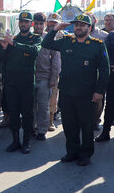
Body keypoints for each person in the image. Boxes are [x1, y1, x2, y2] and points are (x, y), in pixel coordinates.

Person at [42, 13, 109, 166]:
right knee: (69, 124)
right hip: (67, 92)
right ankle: (72, 151)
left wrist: (99, 91)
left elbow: (105, 71)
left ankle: (85, 154)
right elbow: (46, 44)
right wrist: (56, 29)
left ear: (89, 28)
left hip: (86, 94)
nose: (78, 27)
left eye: (82, 25)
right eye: (76, 25)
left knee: (86, 125)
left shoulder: (97, 45)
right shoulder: (66, 41)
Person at [1, 12, 42, 154]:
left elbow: (34, 51)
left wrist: (14, 43)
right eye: (21, 21)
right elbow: (3, 59)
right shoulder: (14, 38)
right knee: (13, 113)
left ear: (31, 24)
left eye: (25, 21)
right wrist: (5, 47)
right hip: (12, 82)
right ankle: (15, 141)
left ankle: (26, 142)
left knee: (27, 114)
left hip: (27, 82)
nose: (22, 24)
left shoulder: (35, 38)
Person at [32, 12, 61, 141]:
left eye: (41, 24)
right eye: (36, 23)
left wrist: (53, 79)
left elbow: (56, 61)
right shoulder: (28, 37)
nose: (38, 26)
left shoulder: (49, 39)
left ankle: (42, 131)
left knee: (44, 107)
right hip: (30, 78)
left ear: (45, 25)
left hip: (45, 78)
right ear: (33, 24)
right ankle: (31, 128)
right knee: (31, 107)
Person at [96, 25, 114, 142]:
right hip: (112, 75)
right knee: (111, 104)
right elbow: (105, 54)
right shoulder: (112, 36)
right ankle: (105, 132)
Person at [46, 13, 63, 132]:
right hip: (42, 70)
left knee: (53, 97)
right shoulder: (41, 33)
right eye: (50, 22)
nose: (52, 24)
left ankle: (50, 120)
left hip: (56, 70)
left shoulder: (62, 36)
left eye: (55, 23)